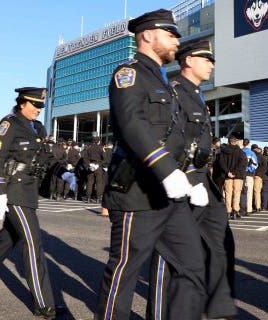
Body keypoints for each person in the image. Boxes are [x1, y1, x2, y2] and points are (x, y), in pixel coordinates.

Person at [95, 9, 206, 320]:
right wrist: (167, 170)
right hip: (138, 193)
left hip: (170, 194)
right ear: (147, 36)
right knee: (124, 272)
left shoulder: (164, 82)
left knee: (192, 264)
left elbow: (176, 137)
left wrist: (187, 176)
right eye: (170, 33)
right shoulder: (128, 74)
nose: (176, 39)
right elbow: (132, 125)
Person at [146, 40, 236, 320]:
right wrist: (181, 179)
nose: (212, 64)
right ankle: (159, 314)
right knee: (168, 252)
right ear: (188, 61)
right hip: (180, 181)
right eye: (206, 59)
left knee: (222, 240)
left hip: (202, 181)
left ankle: (219, 307)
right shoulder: (173, 94)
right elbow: (163, 141)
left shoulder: (197, 96)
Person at [0, 87, 60, 319]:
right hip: (13, 192)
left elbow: (47, 157)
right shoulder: (10, 123)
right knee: (33, 244)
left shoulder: (39, 127)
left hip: (29, 192)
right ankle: (44, 303)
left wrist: (63, 171)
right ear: (22, 103)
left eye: (41, 106)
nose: (38, 110)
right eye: (35, 105)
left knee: (6, 242)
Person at [216, 136, 246, 220]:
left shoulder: (224, 151)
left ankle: (228, 212)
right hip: (238, 176)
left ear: (228, 142)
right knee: (237, 193)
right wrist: (235, 172)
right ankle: (236, 212)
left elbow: (221, 163)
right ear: (236, 142)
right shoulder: (240, 152)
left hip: (227, 176)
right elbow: (242, 164)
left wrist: (228, 172)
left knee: (228, 194)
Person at [82, 137, 104, 203]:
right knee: (99, 183)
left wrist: (88, 166)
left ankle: (88, 198)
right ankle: (98, 198)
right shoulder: (101, 148)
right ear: (99, 141)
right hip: (98, 167)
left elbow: (85, 159)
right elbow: (104, 158)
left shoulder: (89, 148)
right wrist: (99, 164)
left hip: (90, 166)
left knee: (89, 182)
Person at [240, 139, 257, 216]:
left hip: (240, 174)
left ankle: (241, 208)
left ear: (243, 144)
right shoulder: (251, 153)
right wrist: (250, 169)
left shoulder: (239, 151)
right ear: (248, 144)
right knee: (249, 192)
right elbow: (255, 164)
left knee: (241, 192)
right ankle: (249, 209)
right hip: (249, 174)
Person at [252, 144, 267, 212]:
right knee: (257, 191)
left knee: (253, 191)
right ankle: (258, 206)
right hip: (258, 176)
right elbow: (265, 167)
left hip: (253, 175)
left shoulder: (254, 156)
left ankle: (255, 206)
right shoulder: (262, 157)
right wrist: (260, 175)